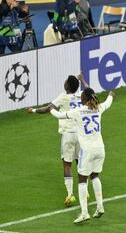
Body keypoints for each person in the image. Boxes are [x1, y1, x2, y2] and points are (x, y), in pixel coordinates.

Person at [50, 88, 115, 224]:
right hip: (101, 149)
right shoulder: (99, 108)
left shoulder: (77, 112)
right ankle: (100, 206)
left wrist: (51, 109)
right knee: (95, 176)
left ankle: (85, 213)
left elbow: (59, 115)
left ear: (84, 99)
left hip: (87, 150)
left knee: (82, 180)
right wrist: (111, 94)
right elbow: (108, 102)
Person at [27, 74, 89, 206]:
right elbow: (90, 91)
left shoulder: (63, 97)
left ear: (68, 86)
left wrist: (32, 110)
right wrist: (82, 80)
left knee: (67, 164)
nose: (64, 82)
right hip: (81, 134)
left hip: (68, 134)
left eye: (66, 81)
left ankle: (70, 194)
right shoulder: (82, 95)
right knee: (80, 162)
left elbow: (47, 109)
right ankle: (85, 191)